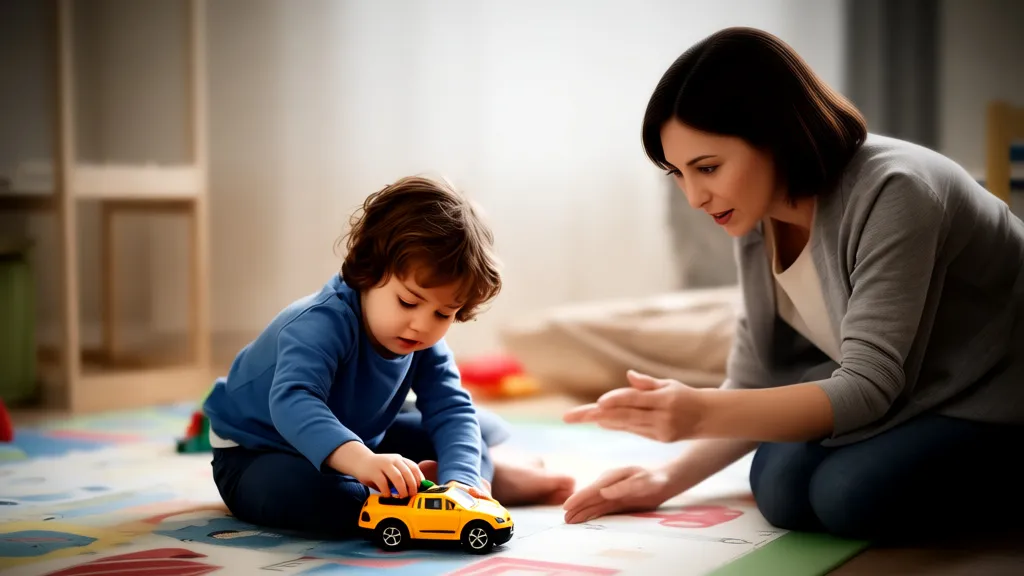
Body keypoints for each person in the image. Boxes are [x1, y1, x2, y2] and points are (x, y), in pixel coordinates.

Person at [562, 26, 1024, 542]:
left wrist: (700, 413)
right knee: (782, 488)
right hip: (911, 393)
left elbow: (868, 387)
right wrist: (666, 477)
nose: (695, 197)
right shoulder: (754, 214)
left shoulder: (898, 190)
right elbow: (757, 378)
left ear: (775, 135)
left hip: (993, 397)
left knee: (848, 495)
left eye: (708, 168)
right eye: (679, 173)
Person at [204, 175, 574, 538]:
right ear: (369, 270)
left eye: (443, 313)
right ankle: (431, 488)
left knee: (468, 432)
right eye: (408, 302)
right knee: (330, 499)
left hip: (362, 439)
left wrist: (463, 479)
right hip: (257, 451)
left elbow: (451, 408)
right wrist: (362, 462)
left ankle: (468, 483)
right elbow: (293, 403)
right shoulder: (318, 324)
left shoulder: (422, 339)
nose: (422, 325)